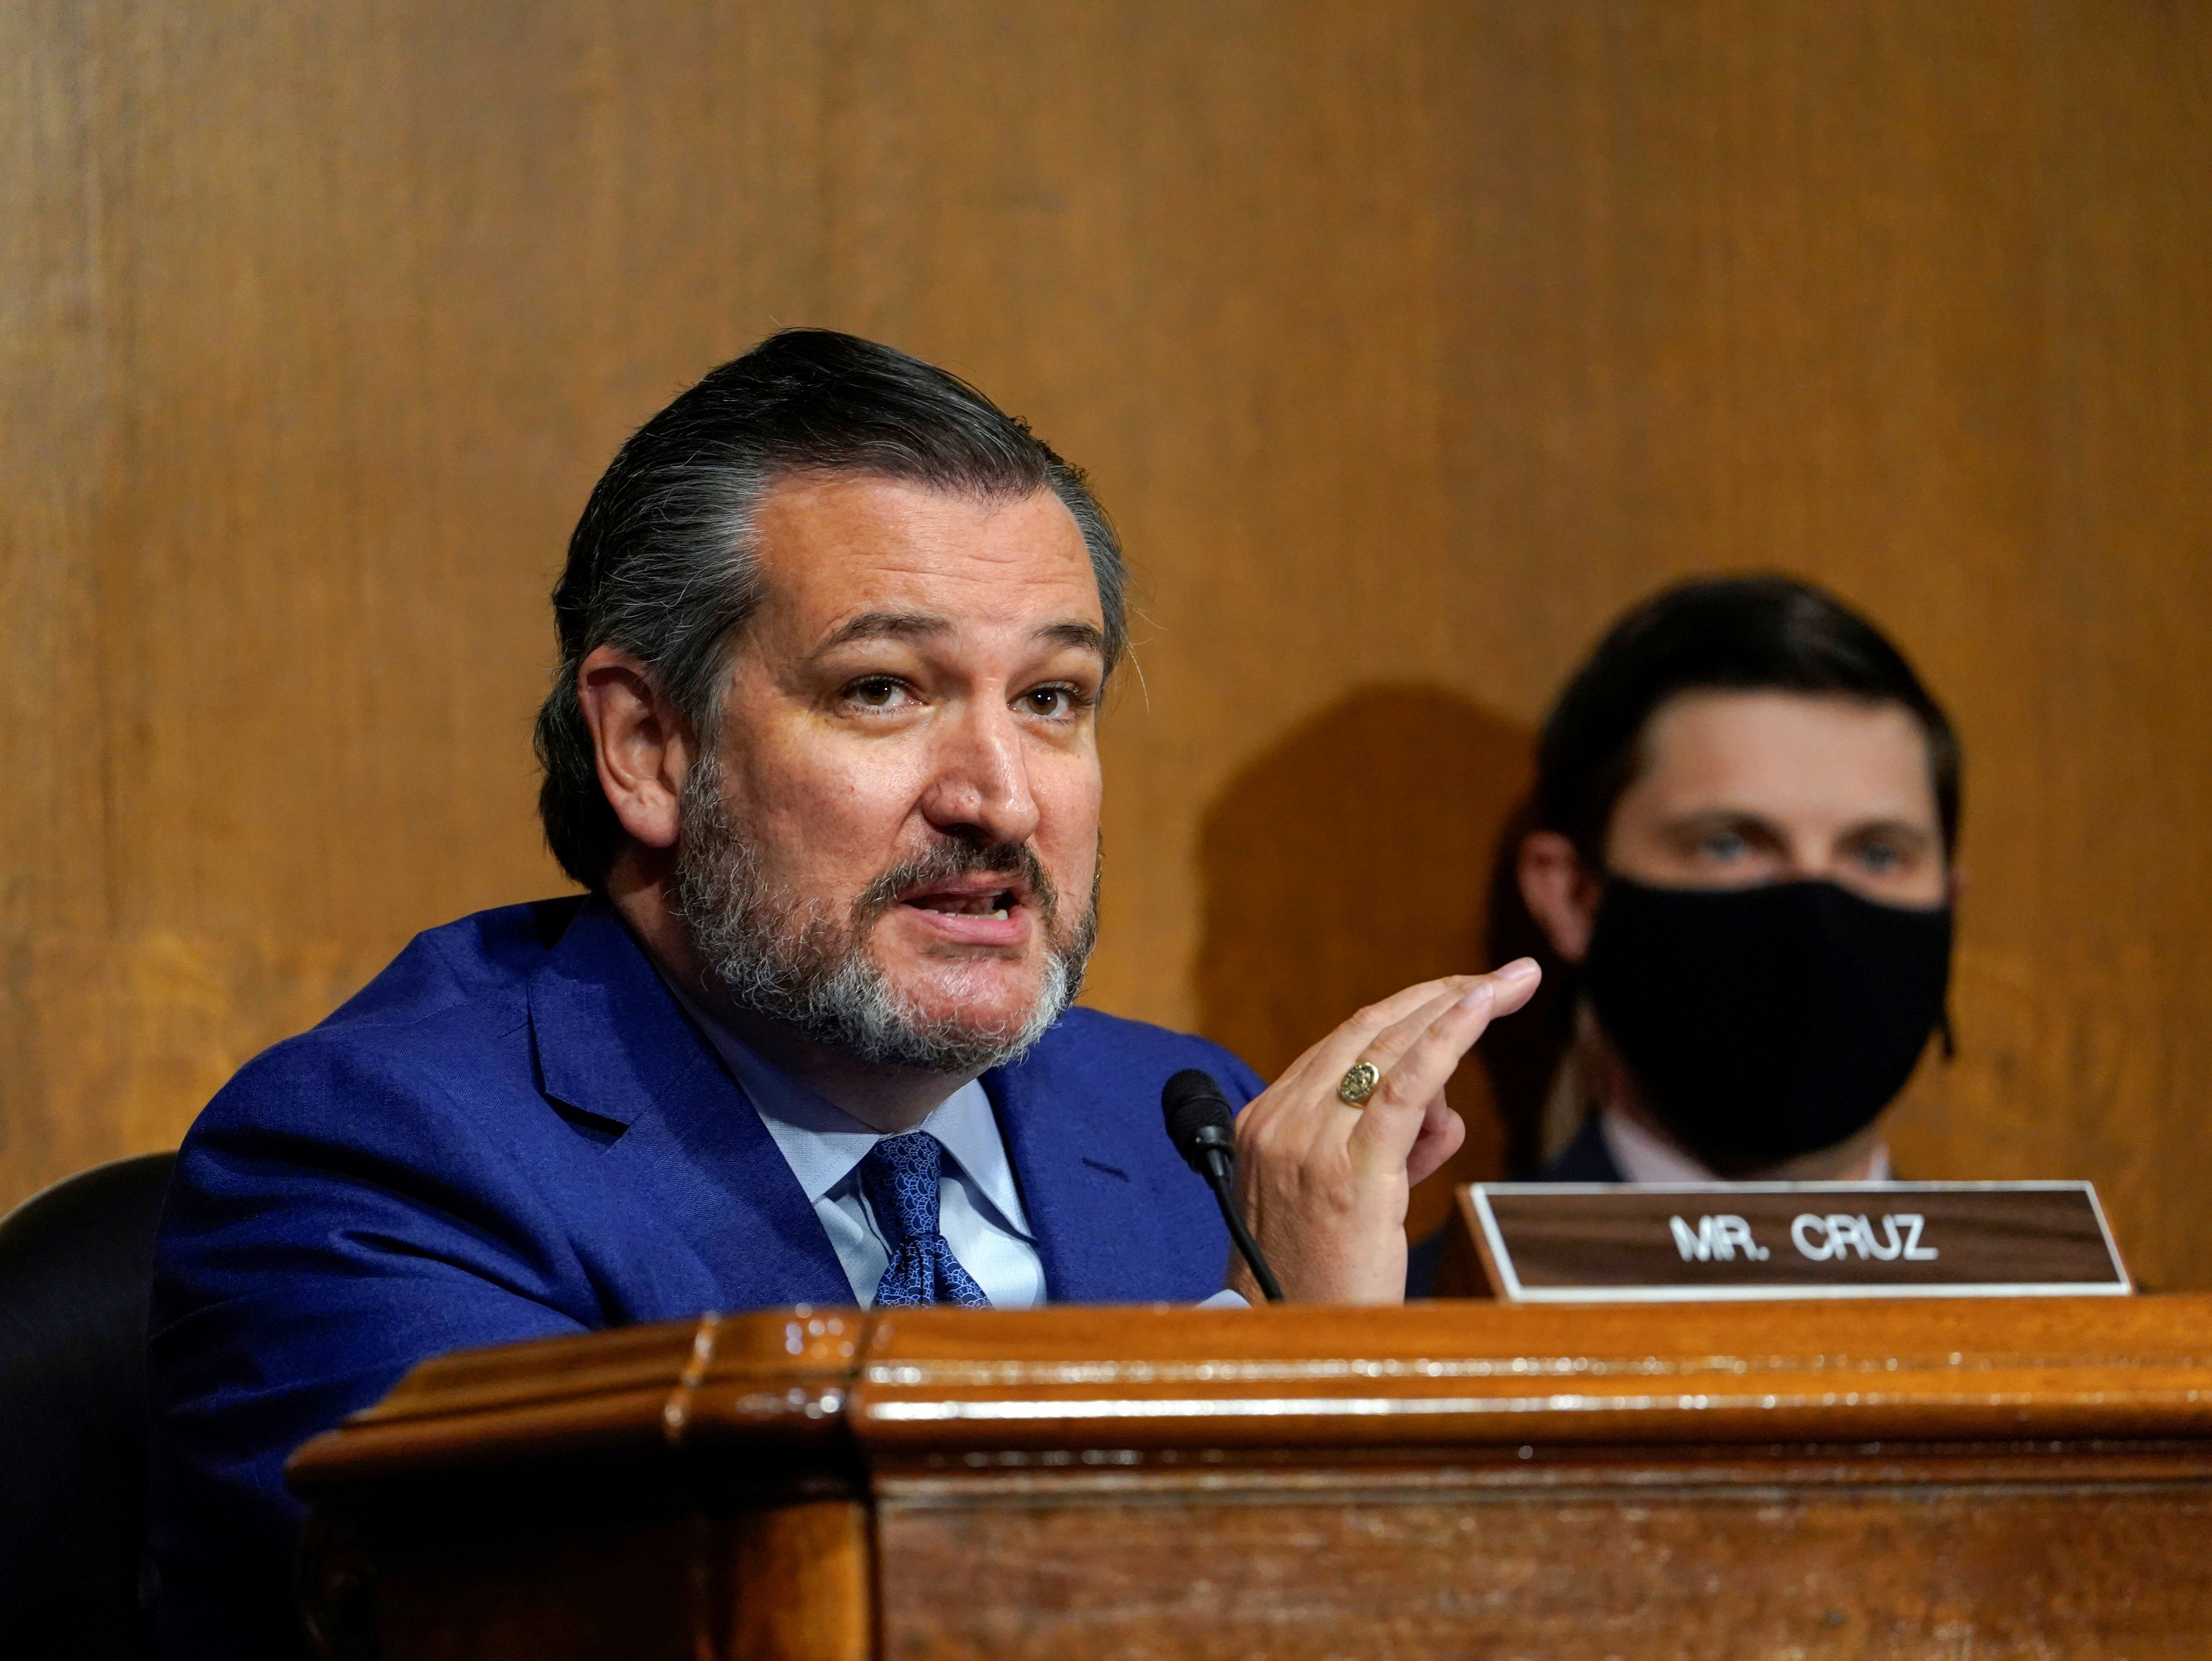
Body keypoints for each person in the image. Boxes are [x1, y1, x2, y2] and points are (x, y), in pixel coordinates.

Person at [147, 329, 1540, 1659]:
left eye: (1053, 698)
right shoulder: (376, 1162)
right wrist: (1258, 1365)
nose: (997, 796)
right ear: (645, 746)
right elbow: (631, 1624)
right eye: (883, 690)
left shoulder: (1190, 1126)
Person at [1481, 573, 1959, 1191]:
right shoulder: (1406, 1290)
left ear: (1952, 901)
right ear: (1573, 896)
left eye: (1876, 855)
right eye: (1730, 845)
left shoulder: (2082, 1291)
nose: (1815, 921)